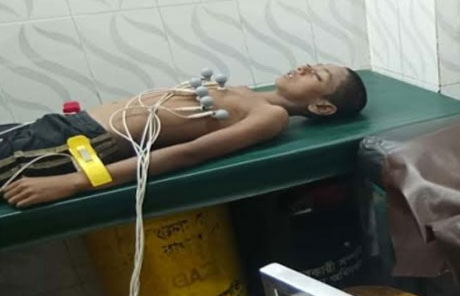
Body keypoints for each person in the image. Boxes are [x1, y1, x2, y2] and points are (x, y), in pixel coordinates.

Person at [1, 64, 367, 208]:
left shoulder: (270, 116)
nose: (305, 67)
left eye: (317, 76)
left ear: (322, 107)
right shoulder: (246, 92)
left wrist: (74, 182)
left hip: (74, 147)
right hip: (60, 129)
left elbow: (189, 153)